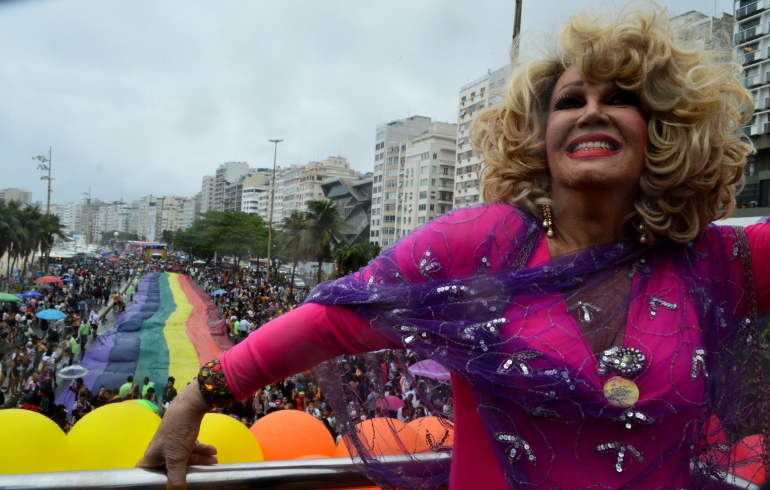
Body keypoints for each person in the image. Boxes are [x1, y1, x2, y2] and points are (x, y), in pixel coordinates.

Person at [138, 5, 770, 490]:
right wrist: (195, 399)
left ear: (663, 131)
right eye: (570, 101)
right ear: (539, 138)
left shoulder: (717, 262)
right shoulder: (483, 245)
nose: (592, 112)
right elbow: (332, 323)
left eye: (621, 99)